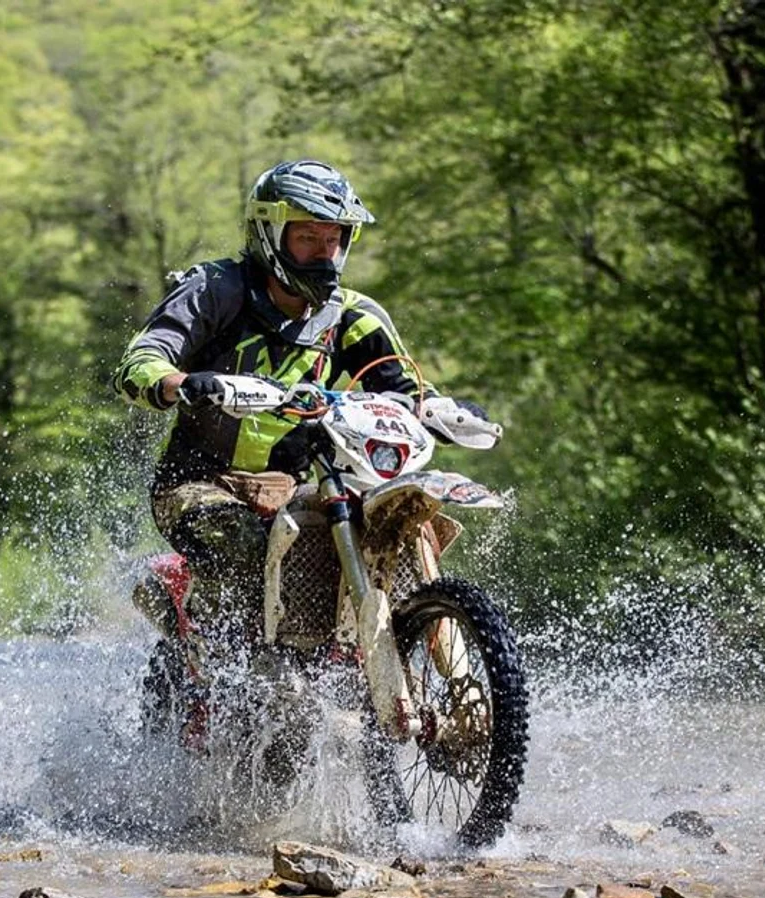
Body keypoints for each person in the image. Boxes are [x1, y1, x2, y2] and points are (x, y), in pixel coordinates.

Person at [113, 159, 487, 636]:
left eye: (333, 239)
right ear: (270, 233)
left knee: (391, 523)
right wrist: (180, 383)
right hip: (196, 485)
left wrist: (439, 410)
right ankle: (213, 649)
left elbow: (404, 386)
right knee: (242, 543)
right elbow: (141, 360)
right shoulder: (214, 290)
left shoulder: (353, 316)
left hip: (293, 488)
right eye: (307, 237)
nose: (323, 253)